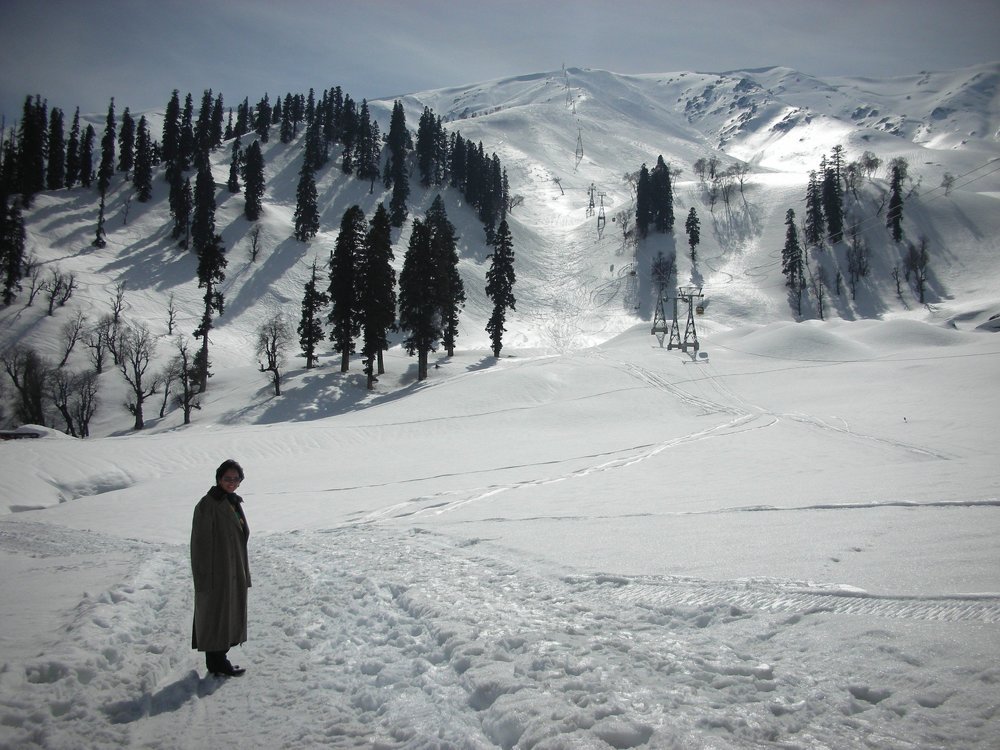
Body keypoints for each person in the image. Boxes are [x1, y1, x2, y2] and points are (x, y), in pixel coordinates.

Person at [191, 459, 251, 677]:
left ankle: (219, 661)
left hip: (233, 570)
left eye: (236, 479)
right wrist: (205, 578)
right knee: (216, 617)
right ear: (218, 478)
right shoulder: (208, 505)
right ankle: (216, 663)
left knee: (227, 616)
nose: (232, 482)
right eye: (228, 478)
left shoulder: (232, 502)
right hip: (217, 573)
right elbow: (200, 544)